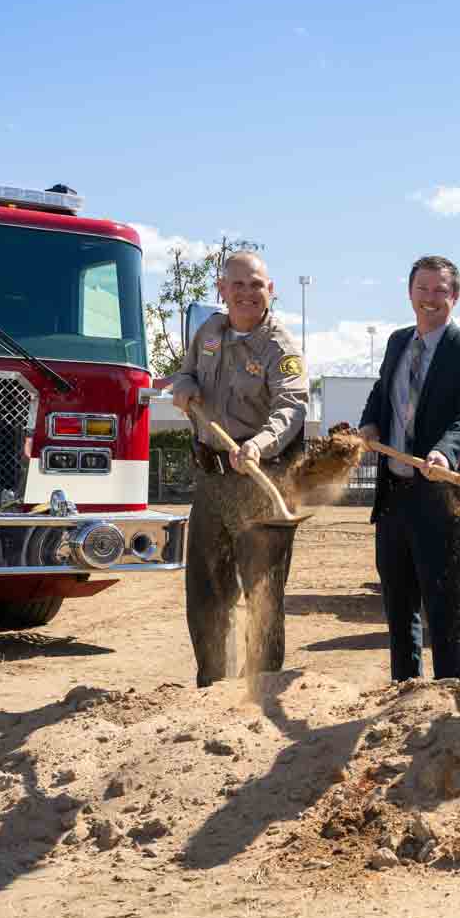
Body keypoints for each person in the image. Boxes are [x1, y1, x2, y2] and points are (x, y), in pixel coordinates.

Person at [170, 251, 308, 688]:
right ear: (222, 290)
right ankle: (212, 687)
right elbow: (188, 373)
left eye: (257, 285)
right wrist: (185, 387)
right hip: (211, 480)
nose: (247, 293)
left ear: (272, 291)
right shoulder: (209, 331)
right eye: (238, 285)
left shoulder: (280, 347)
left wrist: (258, 444)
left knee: (262, 595)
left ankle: (260, 690)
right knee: (207, 592)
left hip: (262, 484)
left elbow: (292, 406)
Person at [359, 255, 460, 686]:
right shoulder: (398, 342)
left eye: (440, 291)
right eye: (423, 289)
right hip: (393, 497)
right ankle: (405, 695)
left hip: (439, 500)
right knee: (399, 609)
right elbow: (383, 391)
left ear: (454, 297)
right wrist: (368, 423)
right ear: (410, 293)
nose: (430, 299)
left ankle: (453, 707)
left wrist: (446, 452)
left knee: (446, 609)